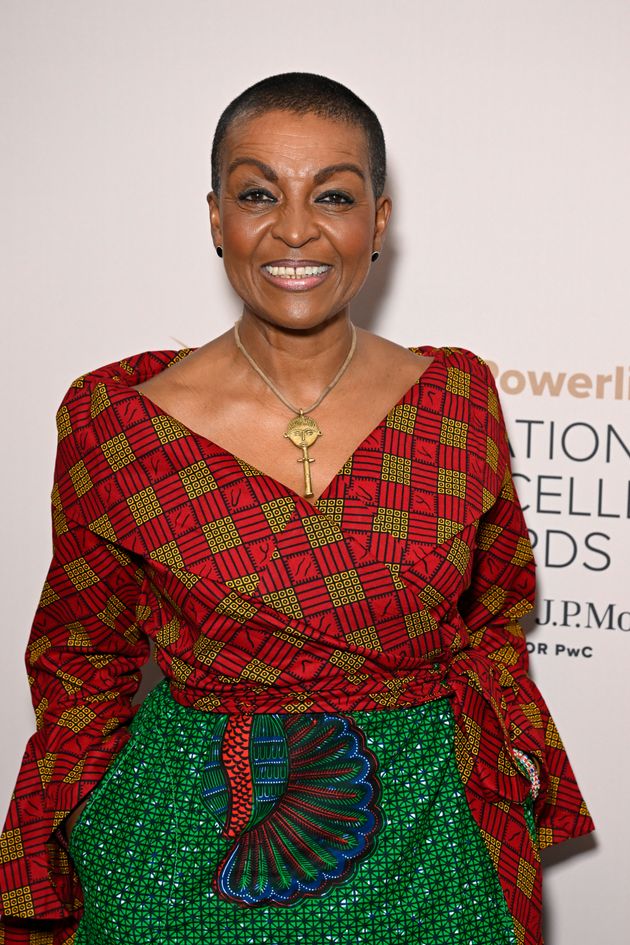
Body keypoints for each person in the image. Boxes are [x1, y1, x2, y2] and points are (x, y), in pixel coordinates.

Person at [0, 73, 593, 945]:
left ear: (378, 221)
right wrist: (76, 833)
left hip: (434, 853)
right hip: (183, 850)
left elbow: (494, 613)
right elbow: (82, 654)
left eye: (334, 195)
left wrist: (499, 772)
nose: (294, 228)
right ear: (216, 218)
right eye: (256, 193)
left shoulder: (456, 398)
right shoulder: (119, 420)